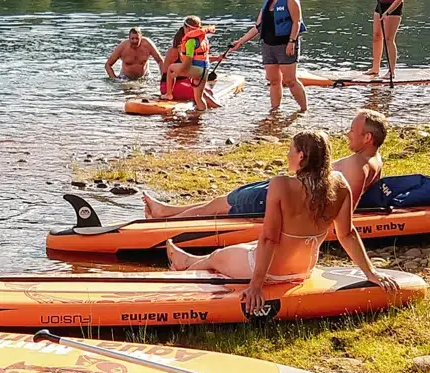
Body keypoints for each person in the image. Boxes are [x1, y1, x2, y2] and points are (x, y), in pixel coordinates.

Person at [166, 130, 400, 311]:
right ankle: (187, 259)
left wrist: (256, 285)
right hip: (303, 269)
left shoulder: (282, 185)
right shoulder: (339, 184)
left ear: (301, 156)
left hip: (272, 272)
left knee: (217, 257)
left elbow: (269, 238)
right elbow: (347, 234)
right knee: (248, 247)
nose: (287, 155)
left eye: (291, 150)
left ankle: (181, 270)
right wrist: (371, 273)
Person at [144, 109, 388, 219]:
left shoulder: (358, 166)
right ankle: (167, 211)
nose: (347, 134)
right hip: (291, 189)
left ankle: (168, 221)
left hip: (286, 197)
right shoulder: (374, 159)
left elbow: (342, 213)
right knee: (221, 201)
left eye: (352, 130)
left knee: (221, 206)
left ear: (367, 138)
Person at [224, 0, 308, 112]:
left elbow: (296, 22)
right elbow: (257, 27)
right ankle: (275, 111)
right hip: (268, 46)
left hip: (285, 44)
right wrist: (240, 42)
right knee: (274, 80)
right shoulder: (267, 3)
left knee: (290, 80)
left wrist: (292, 41)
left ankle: (304, 109)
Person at [366, 0, 408, 80]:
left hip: (394, 7)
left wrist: (388, 12)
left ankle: (391, 71)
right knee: (377, 36)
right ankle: (375, 68)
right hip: (381, 4)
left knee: (389, 39)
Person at [160, 16, 218, 110]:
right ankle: (202, 119)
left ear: (186, 28)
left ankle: (168, 94)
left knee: (171, 68)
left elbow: (187, 63)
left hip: (196, 70)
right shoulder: (203, 39)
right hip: (205, 70)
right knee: (199, 98)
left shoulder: (190, 42)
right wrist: (218, 58)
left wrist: (178, 72)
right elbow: (202, 57)